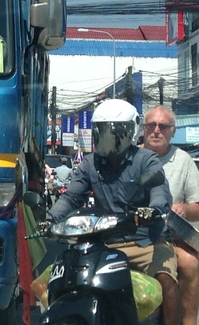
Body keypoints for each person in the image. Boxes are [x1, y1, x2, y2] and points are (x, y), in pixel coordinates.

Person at [45, 99, 180, 325]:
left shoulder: (146, 160)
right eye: (104, 131)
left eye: (116, 132)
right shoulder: (89, 164)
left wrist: (153, 210)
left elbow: (159, 192)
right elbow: (70, 197)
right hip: (103, 243)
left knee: (167, 281)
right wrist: (49, 220)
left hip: (145, 241)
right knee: (51, 280)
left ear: (130, 131)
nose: (110, 138)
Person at [143, 105, 199, 325]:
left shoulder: (184, 161)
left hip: (171, 238)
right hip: (132, 235)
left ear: (173, 131)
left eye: (163, 126)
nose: (157, 130)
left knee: (190, 264)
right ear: (143, 129)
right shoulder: (131, 157)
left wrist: (184, 209)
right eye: (151, 125)